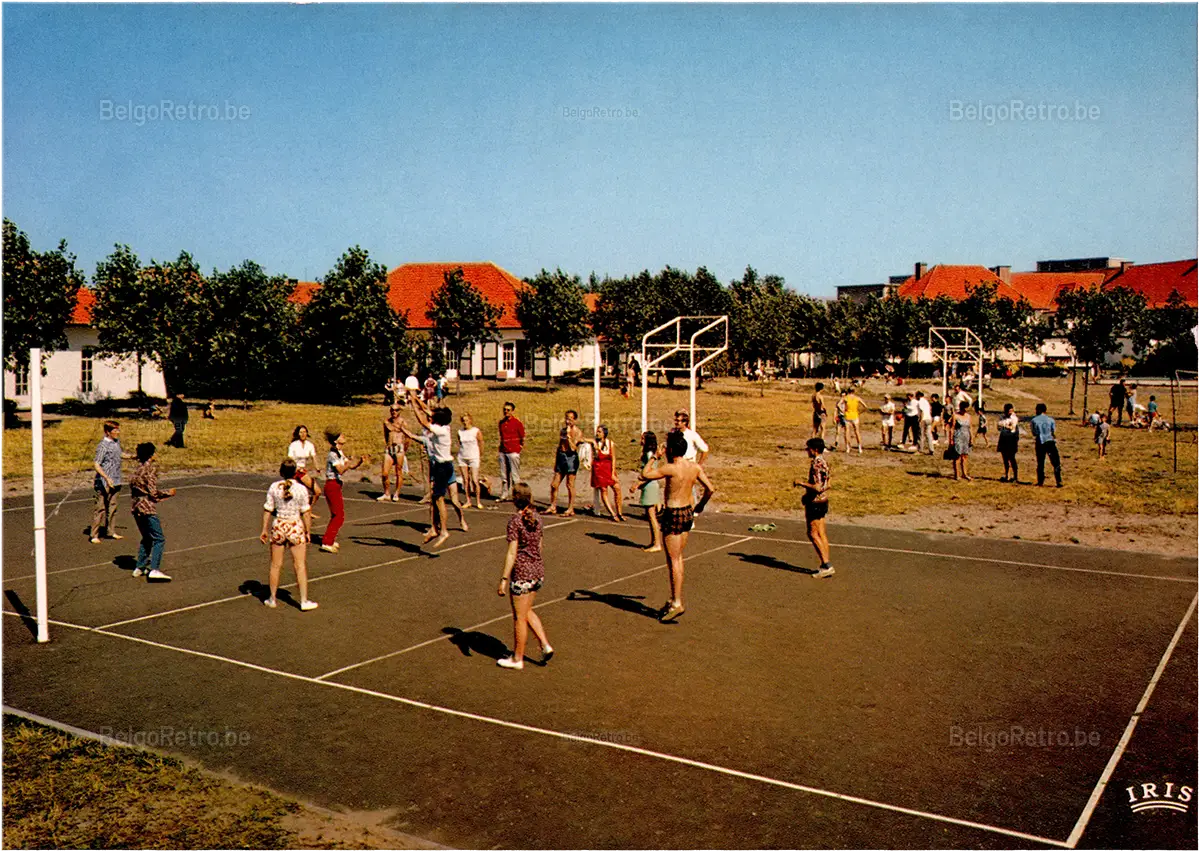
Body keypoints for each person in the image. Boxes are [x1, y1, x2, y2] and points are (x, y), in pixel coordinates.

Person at [639, 430, 715, 623]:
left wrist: (655, 456)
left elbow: (645, 473)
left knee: (673, 560)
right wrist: (701, 506)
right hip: (687, 512)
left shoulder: (670, 468)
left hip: (673, 513)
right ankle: (675, 599)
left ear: (670, 450)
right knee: (679, 558)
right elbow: (710, 489)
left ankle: (677, 601)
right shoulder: (694, 467)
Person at [495, 483, 553, 670]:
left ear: (514, 499)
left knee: (519, 617)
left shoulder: (515, 521)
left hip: (522, 573)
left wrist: (504, 578)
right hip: (537, 571)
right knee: (527, 611)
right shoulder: (538, 518)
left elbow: (512, 553)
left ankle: (517, 658)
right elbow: (540, 546)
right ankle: (545, 645)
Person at [259, 460, 317, 611]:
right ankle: (304, 601)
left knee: (275, 565)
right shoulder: (302, 489)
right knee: (300, 565)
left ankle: (272, 598)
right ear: (295, 472)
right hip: (295, 526)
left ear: (281, 472)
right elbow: (306, 512)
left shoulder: (274, 487)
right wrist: (308, 531)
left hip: (279, 526)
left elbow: (268, 509)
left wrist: (264, 529)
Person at [405, 389, 457, 547]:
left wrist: (413, 405)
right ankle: (434, 528)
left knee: (439, 499)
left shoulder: (440, 431)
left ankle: (444, 531)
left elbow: (423, 421)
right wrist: (415, 399)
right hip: (444, 465)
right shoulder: (445, 426)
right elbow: (428, 411)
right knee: (435, 498)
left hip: (442, 466)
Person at [128, 442, 176, 581]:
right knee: (159, 538)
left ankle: (140, 566)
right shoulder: (150, 470)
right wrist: (168, 493)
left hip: (135, 506)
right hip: (146, 507)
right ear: (151, 454)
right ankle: (154, 569)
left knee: (147, 537)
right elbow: (153, 492)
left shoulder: (136, 470)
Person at [792, 437, 834, 578]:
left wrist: (801, 483)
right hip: (824, 501)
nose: (807, 451)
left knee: (812, 533)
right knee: (821, 532)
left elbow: (817, 487)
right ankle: (825, 564)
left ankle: (826, 564)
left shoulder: (816, 464)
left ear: (814, 449)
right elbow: (828, 484)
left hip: (815, 502)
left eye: (808, 448)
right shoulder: (824, 462)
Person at [319, 427, 366, 553]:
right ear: (335, 441)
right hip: (332, 485)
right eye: (341, 435)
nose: (344, 436)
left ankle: (330, 538)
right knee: (338, 515)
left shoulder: (340, 452)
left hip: (337, 484)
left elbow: (350, 466)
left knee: (337, 514)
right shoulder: (332, 454)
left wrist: (359, 462)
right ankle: (327, 542)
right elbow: (341, 469)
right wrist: (347, 464)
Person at [91, 420, 132, 543]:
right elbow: (97, 464)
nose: (117, 432)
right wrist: (106, 478)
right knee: (100, 508)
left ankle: (111, 531)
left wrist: (132, 456)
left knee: (113, 507)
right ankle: (94, 535)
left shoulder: (116, 442)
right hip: (104, 482)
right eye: (115, 430)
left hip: (116, 479)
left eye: (118, 429)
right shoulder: (103, 445)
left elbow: (120, 454)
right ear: (107, 432)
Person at [545, 409, 584, 516]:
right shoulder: (563, 431)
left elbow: (573, 448)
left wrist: (569, 437)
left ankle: (571, 508)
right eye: (567, 418)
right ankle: (553, 506)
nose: (568, 421)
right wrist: (557, 461)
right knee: (554, 484)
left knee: (570, 484)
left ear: (575, 420)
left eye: (570, 419)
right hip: (561, 457)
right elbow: (560, 445)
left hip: (571, 458)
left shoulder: (577, 432)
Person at [630, 431, 663, 552]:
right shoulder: (647, 453)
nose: (641, 440)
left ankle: (657, 543)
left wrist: (637, 484)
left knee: (651, 516)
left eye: (643, 438)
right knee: (650, 516)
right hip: (648, 486)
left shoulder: (649, 455)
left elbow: (649, 474)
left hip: (650, 486)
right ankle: (654, 541)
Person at [589, 424, 624, 522]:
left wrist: (613, 473)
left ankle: (620, 512)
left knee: (617, 489)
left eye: (599, 432)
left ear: (604, 433)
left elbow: (613, 458)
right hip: (599, 470)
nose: (597, 433)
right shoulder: (595, 443)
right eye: (597, 431)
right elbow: (585, 440)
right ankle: (612, 514)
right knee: (604, 491)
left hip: (608, 469)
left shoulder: (610, 443)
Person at [379, 401, 408, 502]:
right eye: (392, 410)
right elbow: (386, 435)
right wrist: (388, 444)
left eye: (396, 410)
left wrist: (404, 449)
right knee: (384, 473)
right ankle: (386, 493)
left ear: (400, 411)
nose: (394, 412)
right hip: (389, 448)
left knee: (398, 472)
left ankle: (396, 493)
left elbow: (408, 438)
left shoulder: (403, 422)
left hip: (399, 448)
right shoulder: (386, 422)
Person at [287, 425, 323, 507]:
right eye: (301, 432)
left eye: (305, 432)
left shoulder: (309, 445)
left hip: (302, 471)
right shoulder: (294, 445)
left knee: (317, 492)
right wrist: (297, 468)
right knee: (297, 493)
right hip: (294, 471)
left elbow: (314, 457)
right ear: (298, 434)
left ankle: (308, 510)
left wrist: (317, 468)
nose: (303, 434)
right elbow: (290, 460)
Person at [1029, 402, 1063, 487]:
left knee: (1040, 462)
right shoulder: (1051, 420)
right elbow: (1054, 431)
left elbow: (1034, 433)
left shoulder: (1034, 420)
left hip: (1040, 442)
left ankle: (1040, 481)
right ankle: (1059, 481)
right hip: (1050, 442)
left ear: (1039, 410)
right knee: (1056, 462)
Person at [497, 401, 524, 501]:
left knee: (515, 476)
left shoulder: (517, 423)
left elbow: (522, 437)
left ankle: (517, 495)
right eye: (504, 410)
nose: (506, 412)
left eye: (508, 410)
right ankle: (504, 494)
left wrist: (518, 449)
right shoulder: (501, 423)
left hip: (513, 451)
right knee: (504, 475)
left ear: (512, 411)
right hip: (503, 451)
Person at [457, 413, 485, 510]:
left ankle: (478, 501)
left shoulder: (475, 431)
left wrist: (480, 454)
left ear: (470, 420)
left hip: (474, 457)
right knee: (465, 480)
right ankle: (468, 500)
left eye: (467, 420)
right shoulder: (460, 432)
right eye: (463, 420)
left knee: (474, 479)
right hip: (462, 457)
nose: (465, 422)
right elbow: (460, 443)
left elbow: (481, 442)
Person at [996, 403, 1021, 483]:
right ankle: (1007, 475)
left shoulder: (1014, 418)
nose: (1010, 412)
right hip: (1003, 438)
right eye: (1009, 410)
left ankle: (1015, 476)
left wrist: (1004, 426)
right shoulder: (1002, 417)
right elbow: (998, 426)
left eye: (1011, 410)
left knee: (1012, 458)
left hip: (1011, 439)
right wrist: (1006, 426)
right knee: (1005, 458)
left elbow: (1012, 427)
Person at [950, 400, 973, 481]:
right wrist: (951, 439)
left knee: (965, 456)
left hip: (966, 437)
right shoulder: (955, 416)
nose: (965, 410)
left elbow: (970, 428)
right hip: (958, 437)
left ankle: (965, 474)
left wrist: (972, 438)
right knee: (957, 456)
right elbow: (952, 428)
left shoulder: (969, 416)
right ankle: (957, 475)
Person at [843, 386, 864, 454]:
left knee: (847, 432)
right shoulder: (857, 398)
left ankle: (847, 448)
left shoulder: (846, 398)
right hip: (855, 416)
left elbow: (838, 404)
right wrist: (860, 412)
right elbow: (865, 406)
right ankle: (859, 447)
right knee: (857, 431)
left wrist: (843, 411)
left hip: (847, 416)